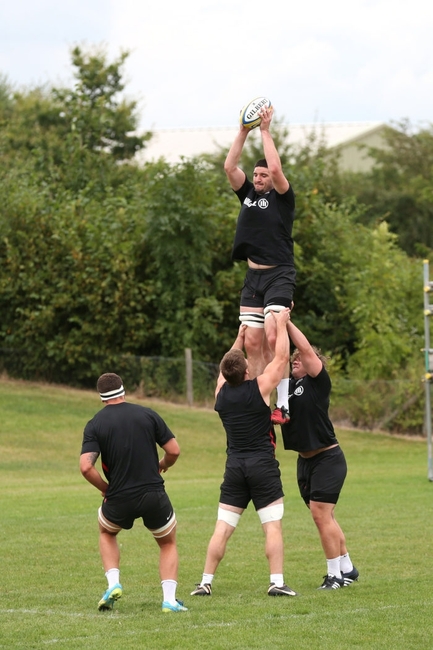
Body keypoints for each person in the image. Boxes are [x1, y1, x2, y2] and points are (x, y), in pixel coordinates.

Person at [191, 308, 298, 598]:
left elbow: (225, 370)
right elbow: (280, 359)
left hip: (235, 467)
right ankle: (276, 582)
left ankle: (205, 582)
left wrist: (238, 339)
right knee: (272, 527)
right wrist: (284, 325)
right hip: (263, 465)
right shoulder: (260, 388)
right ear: (248, 371)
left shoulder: (221, 395)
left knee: (222, 528)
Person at [79, 372, 188, 613]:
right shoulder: (147, 414)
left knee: (107, 532)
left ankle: (113, 583)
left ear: (101, 397)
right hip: (153, 494)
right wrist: (163, 465)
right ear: (123, 391)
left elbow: (86, 467)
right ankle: (169, 600)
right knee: (167, 542)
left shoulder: (95, 424)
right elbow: (174, 451)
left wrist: (107, 489)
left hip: (119, 497)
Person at [224, 104, 296, 426]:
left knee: (271, 333)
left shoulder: (282, 198)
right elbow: (229, 167)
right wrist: (243, 131)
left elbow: (279, 172)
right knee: (252, 342)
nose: (258, 178)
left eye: (263, 174)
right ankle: (260, 402)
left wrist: (265, 131)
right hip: (253, 277)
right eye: (256, 174)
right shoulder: (249, 195)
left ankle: (284, 403)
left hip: (279, 274)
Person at [280, 317, 359, 590]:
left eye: (299, 359)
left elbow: (304, 347)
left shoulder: (318, 383)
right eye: (293, 360)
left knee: (320, 515)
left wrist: (285, 320)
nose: (295, 361)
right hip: (304, 462)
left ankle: (334, 575)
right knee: (326, 516)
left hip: (328, 458)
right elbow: (274, 359)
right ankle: (348, 566)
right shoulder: (286, 388)